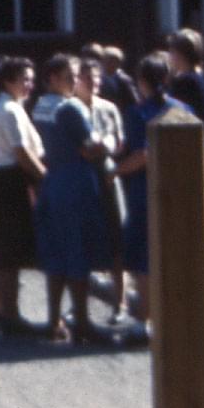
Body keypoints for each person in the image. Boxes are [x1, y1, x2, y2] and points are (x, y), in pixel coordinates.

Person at [31, 55, 114, 345]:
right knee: (78, 251)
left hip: (53, 179)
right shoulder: (71, 108)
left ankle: (54, 319)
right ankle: (82, 321)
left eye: (76, 76)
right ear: (52, 77)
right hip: (76, 181)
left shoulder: (41, 106)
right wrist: (107, 143)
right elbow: (92, 147)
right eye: (70, 76)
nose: (75, 81)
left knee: (56, 252)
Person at [116, 51, 192, 345]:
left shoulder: (137, 113)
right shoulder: (182, 110)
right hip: (178, 190)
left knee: (143, 260)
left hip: (144, 192)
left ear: (141, 81)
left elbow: (142, 155)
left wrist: (115, 172)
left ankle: (144, 322)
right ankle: (176, 319)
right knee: (174, 254)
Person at [0, 58, 46, 334]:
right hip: (13, 178)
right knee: (11, 248)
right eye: (24, 79)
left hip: (1, 176)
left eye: (31, 79)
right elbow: (22, 152)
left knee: (2, 246)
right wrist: (44, 176)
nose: (29, 85)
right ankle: (11, 313)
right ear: (8, 81)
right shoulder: (10, 110)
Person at [77, 57, 130, 325]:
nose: (93, 83)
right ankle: (80, 306)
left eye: (96, 78)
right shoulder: (70, 109)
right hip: (81, 177)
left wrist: (107, 146)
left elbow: (119, 142)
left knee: (116, 236)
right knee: (83, 239)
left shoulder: (109, 108)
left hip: (107, 175)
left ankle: (120, 303)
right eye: (87, 78)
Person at [166, 28, 204, 248]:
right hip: (203, 141)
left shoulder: (185, 81)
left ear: (180, 53)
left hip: (190, 142)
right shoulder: (197, 77)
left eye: (172, 51)